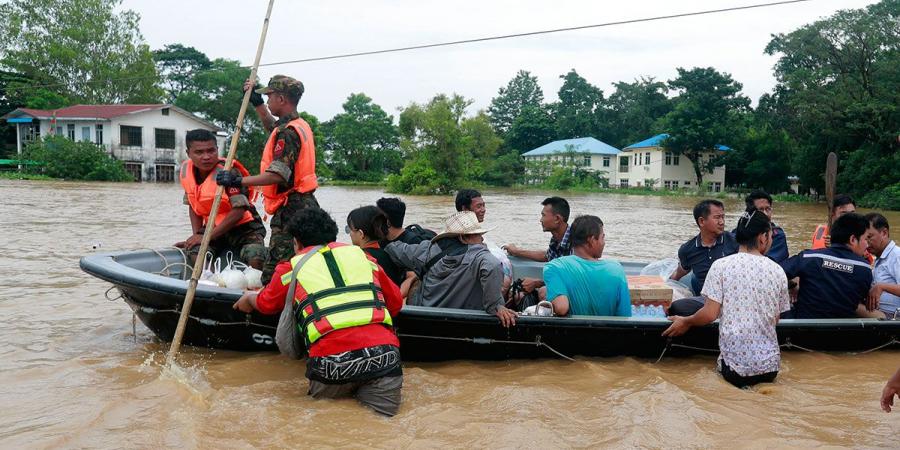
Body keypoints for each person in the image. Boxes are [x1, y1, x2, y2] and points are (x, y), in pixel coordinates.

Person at [232, 207, 403, 416]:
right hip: (384, 358)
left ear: (297, 242)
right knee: (383, 422)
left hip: (332, 363)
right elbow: (395, 304)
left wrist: (249, 298)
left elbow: (267, 304)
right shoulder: (364, 258)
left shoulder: (291, 268)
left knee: (327, 422)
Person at [663, 210, 791, 389]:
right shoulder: (777, 271)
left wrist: (686, 321)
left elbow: (709, 315)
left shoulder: (721, 266)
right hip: (770, 368)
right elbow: (775, 319)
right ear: (763, 237)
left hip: (734, 370)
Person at [216, 75, 319, 285]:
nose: (268, 100)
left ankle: (272, 311)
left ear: (281, 99)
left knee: (276, 272)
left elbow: (278, 175)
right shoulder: (297, 125)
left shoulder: (289, 133)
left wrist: (238, 181)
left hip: (292, 208)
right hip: (303, 203)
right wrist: (257, 103)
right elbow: (272, 127)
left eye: (269, 96)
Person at [385, 211, 517, 327]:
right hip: (464, 323)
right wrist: (495, 305)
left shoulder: (428, 249)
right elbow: (493, 265)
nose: (482, 239)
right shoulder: (479, 255)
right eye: (477, 235)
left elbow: (395, 250)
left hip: (425, 319)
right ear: (463, 237)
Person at [174, 129, 267, 269]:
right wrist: (197, 237)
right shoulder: (187, 173)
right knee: (195, 252)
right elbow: (193, 207)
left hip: (244, 228)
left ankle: (255, 286)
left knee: (256, 257)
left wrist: (206, 237)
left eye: (211, 151)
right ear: (189, 153)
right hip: (214, 228)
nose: (206, 157)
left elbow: (239, 210)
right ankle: (210, 281)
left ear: (217, 149)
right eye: (199, 152)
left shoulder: (228, 172)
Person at [780, 212, 873, 319]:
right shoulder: (865, 269)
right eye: (866, 239)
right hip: (843, 332)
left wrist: (793, 285)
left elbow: (775, 272)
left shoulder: (809, 257)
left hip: (803, 330)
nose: (867, 244)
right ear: (852, 240)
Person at [542, 215, 631, 317]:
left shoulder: (554, 267)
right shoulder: (616, 269)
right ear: (592, 240)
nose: (604, 243)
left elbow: (561, 308)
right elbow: (624, 316)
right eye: (602, 237)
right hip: (607, 332)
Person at [667, 200, 739, 315]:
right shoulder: (688, 250)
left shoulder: (735, 242)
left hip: (736, 298)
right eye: (717, 218)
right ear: (701, 221)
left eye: (723, 217)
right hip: (707, 300)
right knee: (676, 307)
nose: (722, 222)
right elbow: (679, 272)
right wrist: (665, 286)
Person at [503, 196, 572, 295]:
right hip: (561, 285)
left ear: (557, 219)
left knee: (543, 293)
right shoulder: (556, 239)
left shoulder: (576, 241)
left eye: (543, 215)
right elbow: (547, 256)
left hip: (574, 290)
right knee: (519, 295)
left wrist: (537, 283)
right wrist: (516, 252)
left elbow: (572, 278)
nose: (541, 220)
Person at [346, 205, 414, 297]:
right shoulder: (391, 253)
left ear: (361, 234)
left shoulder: (360, 258)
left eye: (350, 229)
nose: (349, 234)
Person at [455, 189, 512, 293]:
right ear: (465, 209)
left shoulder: (479, 240)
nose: (483, 209)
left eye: (483, 205)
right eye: (479, 206)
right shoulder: (459, 239)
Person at [866, 213, 900, 317]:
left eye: (869, 237)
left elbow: (879, 287)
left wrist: (882, 287)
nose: (866, 243)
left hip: (893, 318)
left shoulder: (896, 255)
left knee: (852, 306)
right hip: (881, 314)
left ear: (884, 233)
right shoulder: (880, 258)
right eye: (863, 238)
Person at [742, 190, 788, 263]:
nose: (765, 214)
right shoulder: (739, 233)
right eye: (760, 209)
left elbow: (770, 263)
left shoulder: (777, 235)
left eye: (768, 209)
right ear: (749, 212)